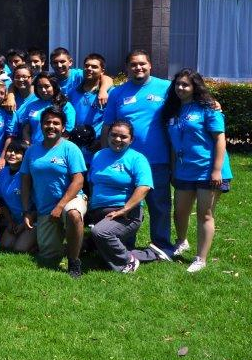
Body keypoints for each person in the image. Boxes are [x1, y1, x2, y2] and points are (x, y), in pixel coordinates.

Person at [101, 49, 174, 258]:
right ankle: (125, 244)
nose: (138, 68)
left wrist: (212, 104)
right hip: (126, 161)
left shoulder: (166, 88)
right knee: (127, 204)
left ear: (150, 65)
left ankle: (162, 246)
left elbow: (188, 102)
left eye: (142, 64)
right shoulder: (117, 93)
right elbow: (108, 126)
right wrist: (104, 153)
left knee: (159, 204)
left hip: (157, 159)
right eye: (133, 64)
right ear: (127, 68)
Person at [165, 69, 232, 273]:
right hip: (184, 170)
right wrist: (174, 169)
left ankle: (200, 258)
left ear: (195, 87)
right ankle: (181, 242)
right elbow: (174, 143)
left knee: (205, 214)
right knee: (180, 212)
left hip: (208, 170)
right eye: (178, 84)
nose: (181, 88)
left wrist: (217, 170)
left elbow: (220, 139)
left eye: (185, 85)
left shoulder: (208, 108)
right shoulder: (173, 110)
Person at [19, 107, 88, 276]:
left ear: (63, 127)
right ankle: (84, 242)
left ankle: (74, 262)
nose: (51, 126)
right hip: (45, 210)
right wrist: (27, 210)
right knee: (49, 256)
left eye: (56, 123)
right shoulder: (32, 151)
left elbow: (78, 181)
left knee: (73, 214)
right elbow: (25, 182)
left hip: (70, 200)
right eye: (47, 122)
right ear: (41, 126)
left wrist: (60, 206)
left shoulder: (70, 148)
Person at [87, 120, 153, 275]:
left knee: (100, 233)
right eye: (114, 135)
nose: (117, 139)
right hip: (98, 211)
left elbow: (144, 187)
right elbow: (92, 182)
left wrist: (125, 209)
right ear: (108, 136)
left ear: (131, 139)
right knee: (92, 248)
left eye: (123, 137)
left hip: (126, 213)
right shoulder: (98, 155)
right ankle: (148, 254)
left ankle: (128, 261)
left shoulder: (137, 159)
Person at [68, 53, 111, 164]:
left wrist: (102, 141)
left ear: (102, 71)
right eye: (87, 66)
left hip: (97, 150)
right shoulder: (73, 92)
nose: (89, 69)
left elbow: (113, 121)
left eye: (94, 66)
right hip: (75, 151)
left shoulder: (109, 93)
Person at [0, 140, 35, 253]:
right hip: (14, 220)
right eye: (10, 150)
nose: (12, 154)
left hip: (31, 220)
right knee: (5, 246)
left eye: (17, 152)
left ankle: (37, 245)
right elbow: (0, 200)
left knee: (19, 249)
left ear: (25, 156)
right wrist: (10, 221)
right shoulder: (3, 172)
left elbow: (37, 205)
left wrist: (24, 224)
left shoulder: (29, 175)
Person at [18, 73, 76, 145]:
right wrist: (28, 146)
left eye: (47, 86)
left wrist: (56, 148)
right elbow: (26, 129)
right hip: (34, 148)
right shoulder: (31, 106)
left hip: (55, 150)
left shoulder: (64, 105)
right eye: (39, 87)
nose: (43, 90)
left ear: (54, 87)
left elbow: (68, 131)